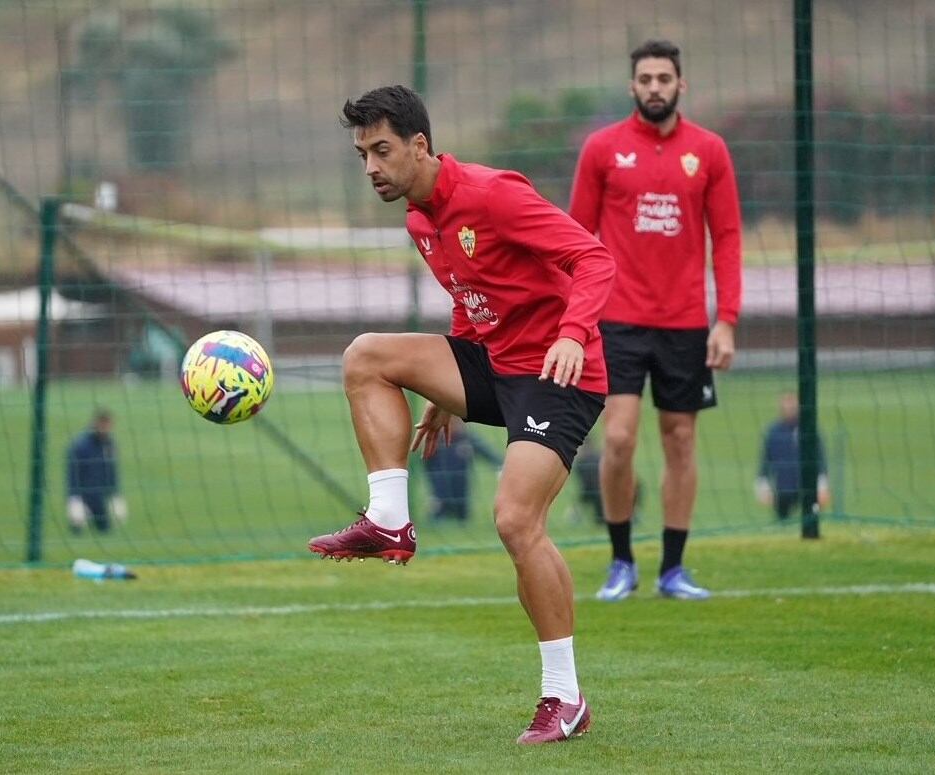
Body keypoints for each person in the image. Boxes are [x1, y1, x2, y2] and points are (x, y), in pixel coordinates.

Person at [307, 85, 615, 744]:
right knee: (366, 358)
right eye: (362, 154)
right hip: (493, 364)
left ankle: (566, 696)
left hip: (557, 373)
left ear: (420, 145)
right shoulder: (421, 219)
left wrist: (572, 331)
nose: (371, 167)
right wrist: (443, 397)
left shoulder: (493, 194)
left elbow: (593, 257)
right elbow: (469, 296)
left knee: (514, 519)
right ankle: (389, 517)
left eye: (382, 150)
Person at [568, 39, 743, 602]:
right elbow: (574, 238)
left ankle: (673, 569)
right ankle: (621, 562)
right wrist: (575, 318)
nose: (654, 88)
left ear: (680, 85)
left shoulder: (709, 151)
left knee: (681, 439)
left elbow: (729, 239)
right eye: (645, 79)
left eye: (664, 78)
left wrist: (727, 320)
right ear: (632, 86)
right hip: (615, 322)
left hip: (687, 323)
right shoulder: (602, 149)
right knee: (617, 440)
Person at [756, 392, 830, 521]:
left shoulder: (809, 429)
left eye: (792, 405)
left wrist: (822, 486)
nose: (789, 409)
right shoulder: (773, 432)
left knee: (811, 520)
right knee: (782, 522)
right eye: (786, 405)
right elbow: (765, 461)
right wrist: (763, 486)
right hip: (783, 487)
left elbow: (820, 459)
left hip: (807, 487)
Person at [424, 416, 502, 522]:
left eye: (458, 421)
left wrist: (502, 466)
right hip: (441, 497)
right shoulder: (435, 442)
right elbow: (424, 465)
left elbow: (491, 456)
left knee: (461, 518)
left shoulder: (467, 439)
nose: (455, 425)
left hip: (461, 497)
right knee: (439, 518)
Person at [65, 408, 127, 534]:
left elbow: (111, 471)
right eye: (103, 424)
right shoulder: (80, 446)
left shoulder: (110, 444)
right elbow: (72, 473)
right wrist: (74, 497)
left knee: (104, 530)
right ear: (95, 423)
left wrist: (115, 494)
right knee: (77, 529)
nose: (106, 427)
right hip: (83, 496)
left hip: (100, 497)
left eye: (108, 424)